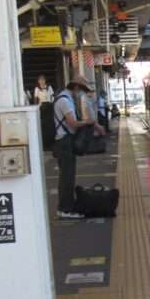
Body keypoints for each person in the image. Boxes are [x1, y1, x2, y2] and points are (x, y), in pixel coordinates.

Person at [53, 75, 95, 219]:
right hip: (64, 142)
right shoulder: (65, 100)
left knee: (67, 176)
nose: (82, 93)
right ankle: (65, 209)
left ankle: (66, 207)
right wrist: (87, 122)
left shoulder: (65, 98)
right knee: (67, 178)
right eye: (82, 90)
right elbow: (72, 123)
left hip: (64, 141)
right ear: (76, 87)